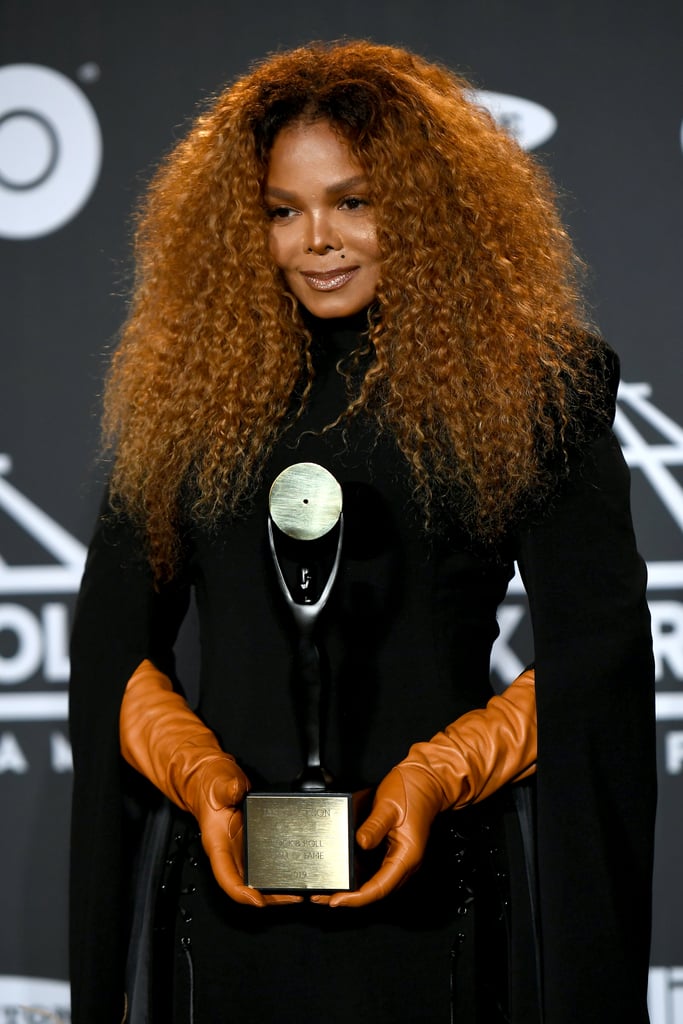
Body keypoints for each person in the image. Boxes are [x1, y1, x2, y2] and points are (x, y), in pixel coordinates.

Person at [69, 40, 656, 1024]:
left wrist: (436, 773)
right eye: (280, 210)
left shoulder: (532, 382)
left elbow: (594, 652)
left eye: (353, 200)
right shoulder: (184, 392)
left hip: (441, 900)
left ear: (419, 207)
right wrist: (206, 784)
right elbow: (113, 647)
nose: (318, 240)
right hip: (225, 897)